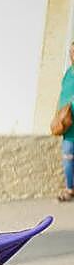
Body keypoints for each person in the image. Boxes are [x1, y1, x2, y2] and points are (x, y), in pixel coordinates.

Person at [57, 39, 74, 202]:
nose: (72, 55)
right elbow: (63, 94)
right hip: (68, 126)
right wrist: (58, 115)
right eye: (71, 52)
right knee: (68, 158)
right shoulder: (69, 72)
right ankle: (70, 190)